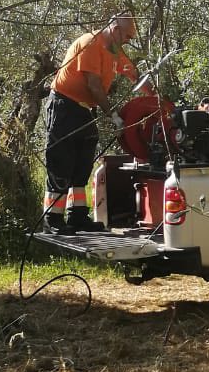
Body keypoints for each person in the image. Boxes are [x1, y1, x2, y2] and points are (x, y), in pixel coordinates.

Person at [43, 12, 139, 231]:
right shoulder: (91, 43)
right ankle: (52, 219)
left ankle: (77, 216)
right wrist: (114, 116)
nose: (128, 41)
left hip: (85, 110)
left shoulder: (113, 51)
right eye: (127, 36)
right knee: (61, 162)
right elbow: (94, 85)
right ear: (115, 30)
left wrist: (153, 94)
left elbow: (133, 74)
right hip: (64, 107)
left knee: (82, 163)